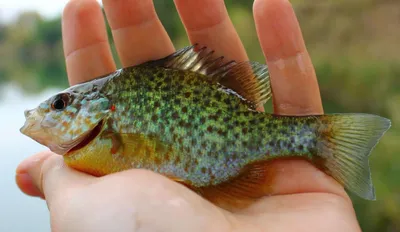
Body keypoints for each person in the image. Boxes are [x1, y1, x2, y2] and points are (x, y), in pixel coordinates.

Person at [15, 0, 362, 231]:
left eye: (59, 105)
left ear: (101, 110)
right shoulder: (89, 150)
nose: (42, 114)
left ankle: (319, 138)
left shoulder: (99, 143)